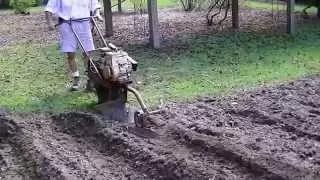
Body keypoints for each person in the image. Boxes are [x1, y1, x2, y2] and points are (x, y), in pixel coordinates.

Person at [44, 0, 103, 91]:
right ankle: (76, 78)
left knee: (88, 53)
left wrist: (97, 13)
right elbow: (49, 8)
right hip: (66, 24)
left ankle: (90, 78)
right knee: (70, 54)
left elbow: (95, 5)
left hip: (84, 23)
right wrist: (50, 22)